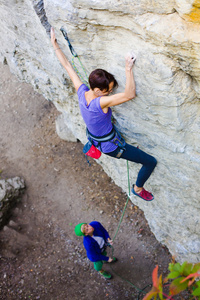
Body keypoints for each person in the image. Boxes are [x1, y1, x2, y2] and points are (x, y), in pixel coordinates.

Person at [51, 28, 157, 201]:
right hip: (112, 147)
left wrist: (54, 44)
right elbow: (130, 94)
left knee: (134, 151)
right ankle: (138, 188)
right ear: (99, 91)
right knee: (150, 162)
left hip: (98, 140)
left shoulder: (82, 91)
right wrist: (128, 68)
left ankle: (131, 153)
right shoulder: (100, 102)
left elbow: (67, 66)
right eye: (108, 91)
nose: (110, 93)